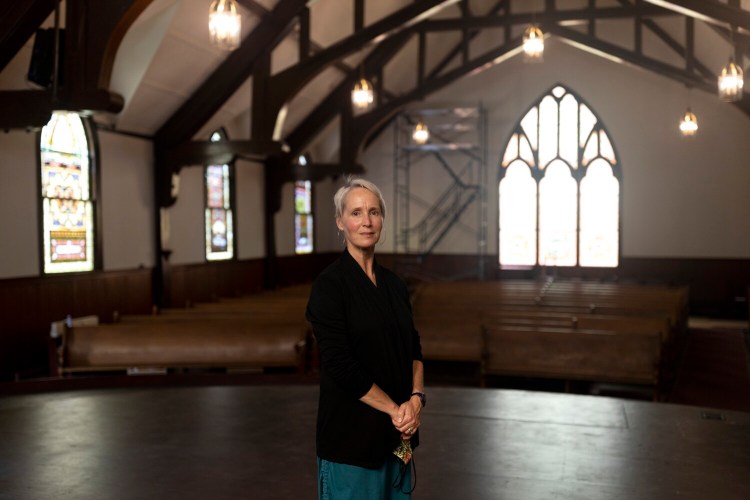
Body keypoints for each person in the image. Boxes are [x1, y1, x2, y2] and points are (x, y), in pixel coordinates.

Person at [306, 178, 425, 499]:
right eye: (356, 213)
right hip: (351, 440)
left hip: (398, 438)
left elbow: (413, 348)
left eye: (374, 212)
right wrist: (395, 410)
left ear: (382, 220)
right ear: (340, 223)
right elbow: (340, 365)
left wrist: (415, 400)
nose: (367, 221)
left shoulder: (395, 284)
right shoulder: (330, 286)